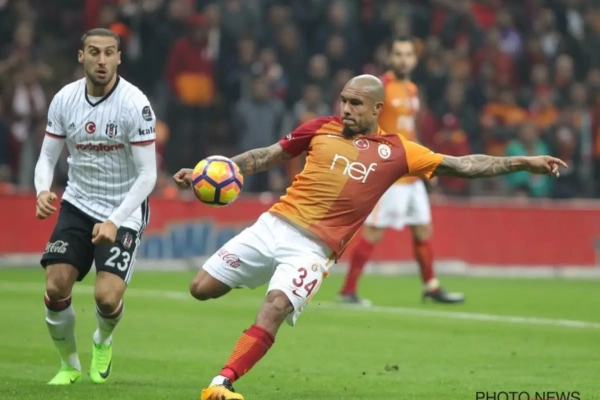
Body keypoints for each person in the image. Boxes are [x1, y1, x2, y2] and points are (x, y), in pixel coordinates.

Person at [173, 74, 566, 400]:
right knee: (201, 288)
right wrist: (213, 169)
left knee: (274, 307)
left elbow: (464, 164)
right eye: (344, 100)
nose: (346, 108)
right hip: (272, 225)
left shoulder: (399, 152)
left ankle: (222, 383)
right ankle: (259, 277)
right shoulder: (320, 127)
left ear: (377, 109)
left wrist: (523, 162)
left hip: (313, 250)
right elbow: (266, 155)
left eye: (356, 103)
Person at [34, 28, 157, 385]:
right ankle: (69, 365)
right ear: (81, 56)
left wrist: (115, 220)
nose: (101, 60)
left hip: (125, 208)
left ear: (119, 57)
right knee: (56, 286)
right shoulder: (64, 99)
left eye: (108, 53)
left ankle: (102, 339)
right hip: (78, 202)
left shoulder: (135, 104)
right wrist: (42, 190)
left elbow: (148, 175)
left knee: (106, 297)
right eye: (93, 52)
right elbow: (47, 157)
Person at [339, 36, 464, 306]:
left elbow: (409, 131)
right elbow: (357, 121)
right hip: (389, 173)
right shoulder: (380, 87)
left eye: (408, 54)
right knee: (374, 232)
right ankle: (348, 290)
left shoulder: (411, 89)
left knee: (422, 230)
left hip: (411, 172)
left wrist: (424, 163)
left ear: (415, 59)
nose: (403, 59)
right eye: (398, 54)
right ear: (389, 57)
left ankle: (431, 286)